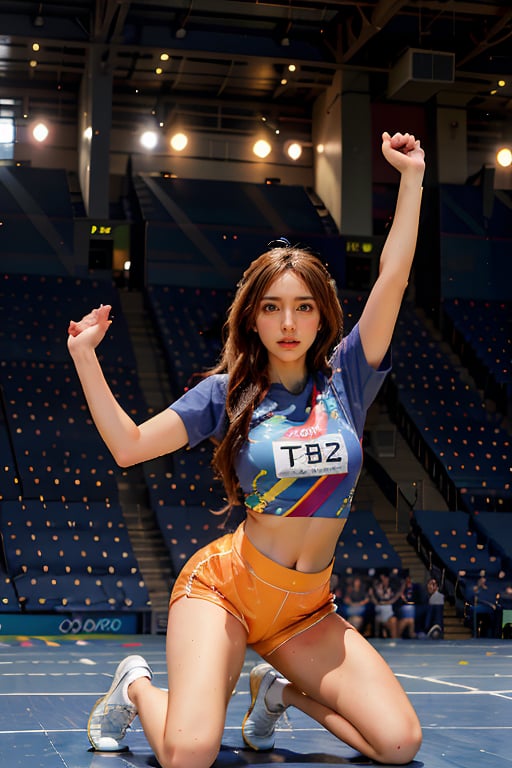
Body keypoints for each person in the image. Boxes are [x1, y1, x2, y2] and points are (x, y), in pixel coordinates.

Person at [67, 130, 424, 767]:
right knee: (189, 755)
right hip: (225, 592)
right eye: (273, 308)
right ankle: (135, 686)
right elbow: (128, 447)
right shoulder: (225, 394)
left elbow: (392, 278)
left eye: (304, 307)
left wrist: (412, 179)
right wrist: (84, 358)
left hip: (307, 610)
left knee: (399, 744)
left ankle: (277, 690)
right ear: (253, 317)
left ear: (322, 317)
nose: (288, 324)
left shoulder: (347, 379)